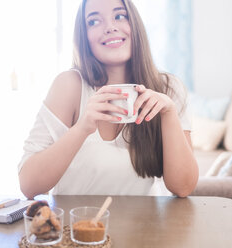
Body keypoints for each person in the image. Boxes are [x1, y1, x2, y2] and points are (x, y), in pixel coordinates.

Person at [18, 0, 198, 199]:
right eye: (94, 22)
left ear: (135, 24)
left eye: (120, 16)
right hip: (76, 227)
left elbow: (183, 187)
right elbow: (29, 185)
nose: (110, 27)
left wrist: (169, 114)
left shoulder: (168, 89)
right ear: (84, 36)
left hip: (143, 228)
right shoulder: (69, 86)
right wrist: (82, 127)